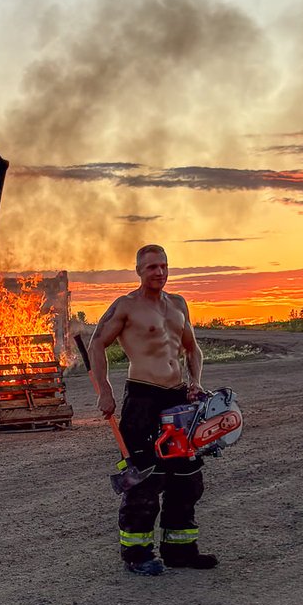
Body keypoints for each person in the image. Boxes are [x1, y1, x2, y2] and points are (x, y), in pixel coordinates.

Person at [88, 244, 217, 576]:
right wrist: (105, 390)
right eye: (151, 267)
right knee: (145, 480)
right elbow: (96, 344)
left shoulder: (178, 305)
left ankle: (180, 550)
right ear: (138, 271)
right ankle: (137, 555)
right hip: (143, 400)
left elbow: (193, 349)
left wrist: (195, 382)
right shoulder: (126, 306)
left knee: (186, 480)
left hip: (178, 402)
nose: (159, 272)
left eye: (163, 266)